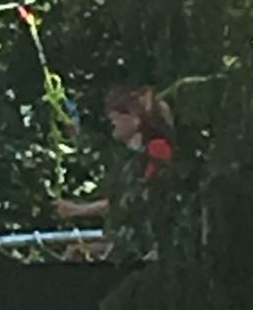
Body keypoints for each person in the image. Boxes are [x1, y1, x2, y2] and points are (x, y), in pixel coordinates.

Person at [53, 84, 174, 225]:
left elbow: (139, 200)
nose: (111, 117)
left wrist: (78, 210)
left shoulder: (156, 149)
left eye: (120, 112)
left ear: (136, 118)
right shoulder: (127, 159)